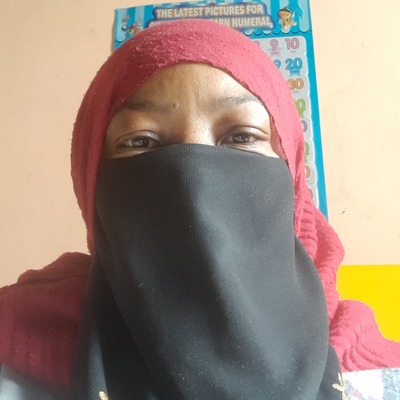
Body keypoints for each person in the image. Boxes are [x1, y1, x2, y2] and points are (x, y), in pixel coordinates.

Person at [0, 19, 399, 399]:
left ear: (291, 171)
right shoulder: (16, 352)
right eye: (141, 141)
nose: (193, 182)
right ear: (90, 180)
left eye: (241, 136)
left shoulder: (379, 374)